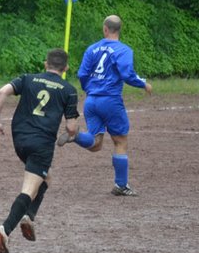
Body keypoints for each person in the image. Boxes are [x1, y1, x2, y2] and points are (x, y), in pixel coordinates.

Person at [0, 48, 80, 253]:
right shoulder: (68, 90)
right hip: (41, 144)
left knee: (45, 178)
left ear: (44, 64)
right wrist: (69, 136)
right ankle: (5, 229)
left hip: (20, 140)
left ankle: (28, 217)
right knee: (30, 190)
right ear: (65, 68)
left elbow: (2, 92)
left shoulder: (28, 79)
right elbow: (72, 128)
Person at [57, 15, 153, 196]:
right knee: (120, 141)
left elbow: (82, 74)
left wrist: (90, 90)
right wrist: (143, 84)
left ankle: (76, 136)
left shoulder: (92, 49)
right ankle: (121, 185)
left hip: (91, 101)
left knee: (96, 144)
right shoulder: (123, 50)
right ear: (119, 29)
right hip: (111, 101)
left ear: (105, 29)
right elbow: (127, 74)